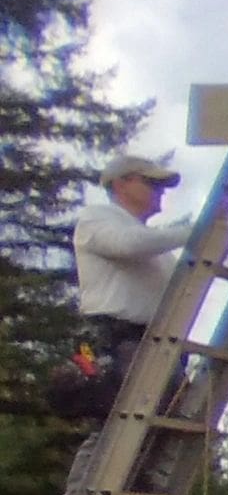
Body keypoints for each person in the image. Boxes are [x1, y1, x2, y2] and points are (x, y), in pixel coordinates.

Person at [58, 152, 197, 420]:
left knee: (147, 429)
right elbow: (129, 244)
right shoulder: (97, 219)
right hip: (114, 339)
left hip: (149, 342)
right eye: (151, 183)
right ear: (122, 184)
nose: (160, 192)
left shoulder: (154, 246)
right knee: (112, 431)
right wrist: (192, 232)